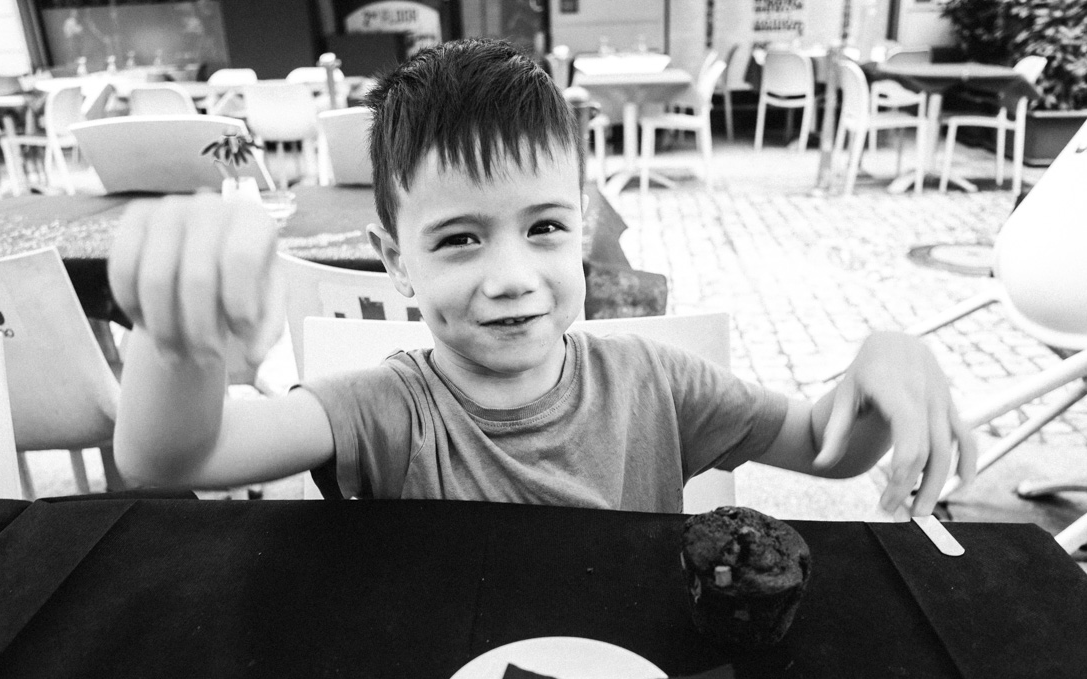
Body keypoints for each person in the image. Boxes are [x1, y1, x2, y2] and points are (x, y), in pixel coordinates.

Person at [110, 38, 975, 516]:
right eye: (459, 239)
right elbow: (170, 455)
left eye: (544, 228)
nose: (512, 277)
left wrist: (880, 368)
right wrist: (177, 340)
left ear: (584, 227)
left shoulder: (656, 385)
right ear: (396, 262)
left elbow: (825, 448)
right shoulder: (386, 410)